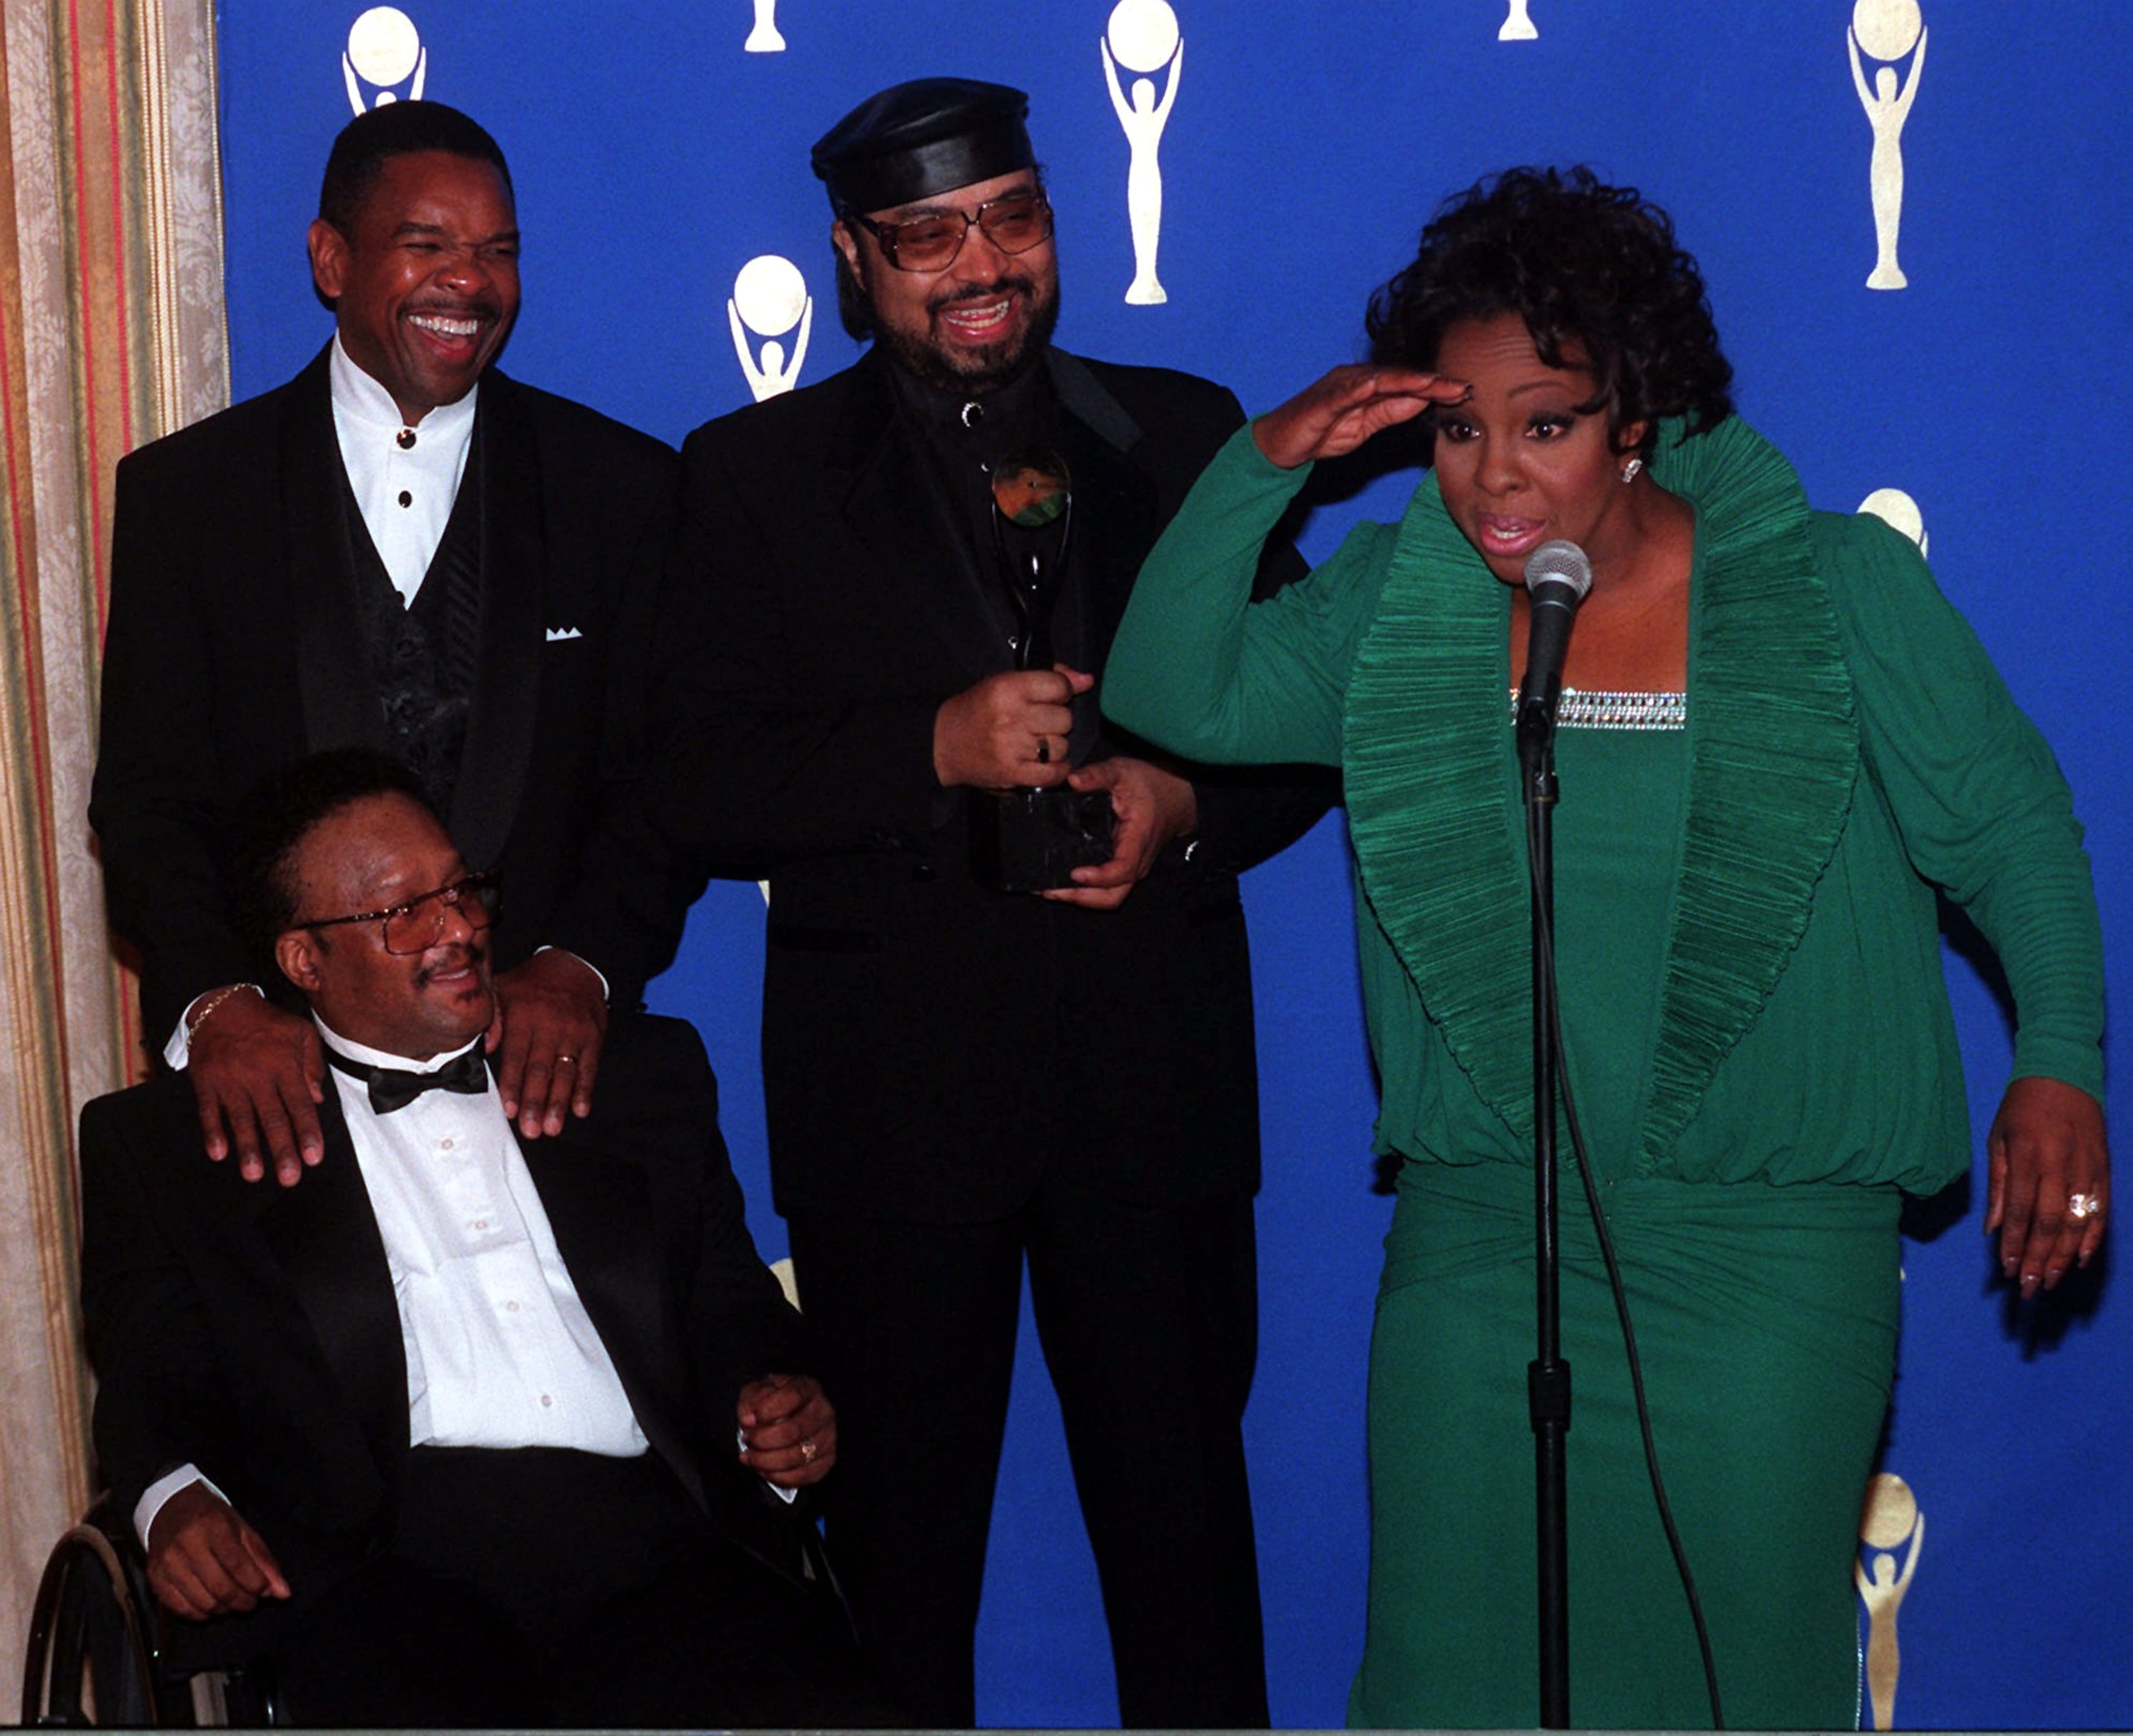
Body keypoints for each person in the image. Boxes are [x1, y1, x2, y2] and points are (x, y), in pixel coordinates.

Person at [1103, 166, 2109, 1728]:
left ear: (1636, 414)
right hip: (1482, 1243)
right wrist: (1265, 458)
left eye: (1546, 422)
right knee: (1450, 1677)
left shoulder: (1839, 591)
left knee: (1734, 1674)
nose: (1493, 475)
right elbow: (1176, 695)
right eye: (1457, 427)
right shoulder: (1395, 604)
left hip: (1769, 1254)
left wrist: (2059, 1058)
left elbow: (2015, 834)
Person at [647, 76, 1328, 1729]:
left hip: (1150, 1097)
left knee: (1188, 1567)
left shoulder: (1182, 437)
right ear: (852, 261)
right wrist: (927, 747)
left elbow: (1315, 712)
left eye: (1011, 219)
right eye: (929, 234)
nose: (981, 262)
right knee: (900, 1578)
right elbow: (691, 778)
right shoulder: (749, 473)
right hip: (894, 1112)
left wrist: (1180, 808)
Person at [79, 750, 884, 1728]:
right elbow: (149, 1380)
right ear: (304, 960)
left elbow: (729, 1304)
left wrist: (774, 1389)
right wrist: (175, 1500)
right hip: (382, 1566)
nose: (459, 926)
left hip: (658, 1538)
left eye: (461, 888)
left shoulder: (637, 1077)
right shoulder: (171, 1144)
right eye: (403, 911)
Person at [89, 100, 695, 1188]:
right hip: (281, 1111)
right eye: (427, 244)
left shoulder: (623, 488)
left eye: (497, 251)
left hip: (553, 1090)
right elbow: (148, 800)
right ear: (331, 259)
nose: (470, 281)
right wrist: (218, 1005)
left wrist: (582, 965)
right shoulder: (188, 498)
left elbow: (659, 778)